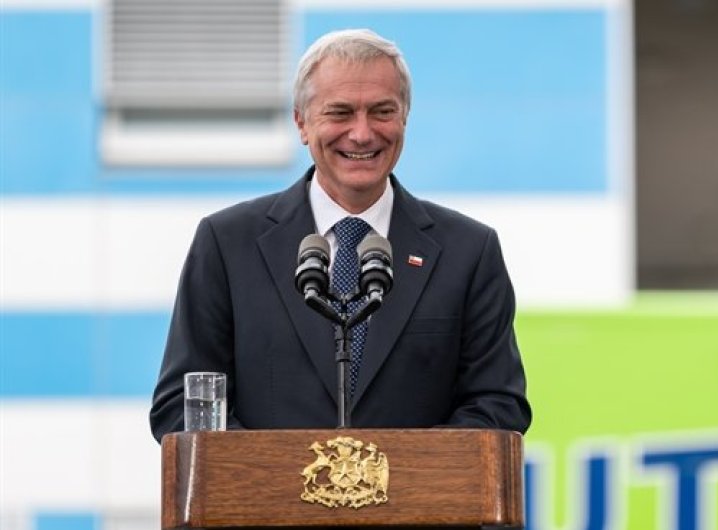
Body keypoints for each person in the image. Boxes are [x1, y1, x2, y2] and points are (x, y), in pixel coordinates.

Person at [149, 29, 531, 440]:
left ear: (404, 117)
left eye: (382, 111)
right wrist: (282, 473)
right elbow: (182, 404)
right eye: (340, 113)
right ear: (301, 122)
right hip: (266, 486)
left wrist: (400, 472)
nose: (362, 133)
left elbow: (498, 406)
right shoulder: (227, 244)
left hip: (418, 487)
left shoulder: (469, 252)